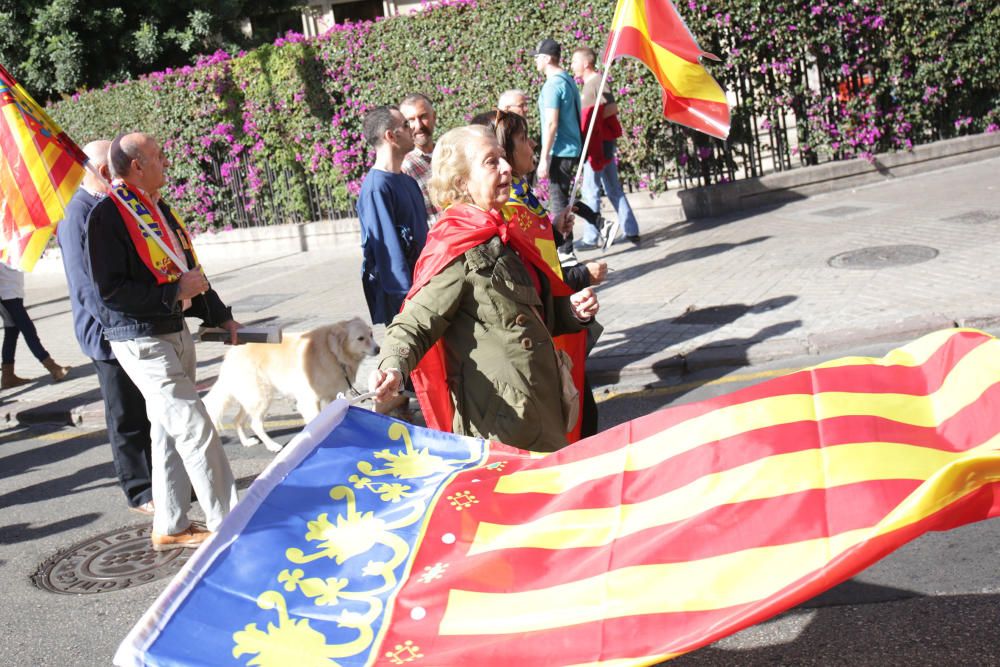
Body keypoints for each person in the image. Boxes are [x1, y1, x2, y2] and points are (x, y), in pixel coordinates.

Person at [369, 125, 600, 452]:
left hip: (538, 407)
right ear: (462, 182)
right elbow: (414, 322)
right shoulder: (456, 247)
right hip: (503, 425)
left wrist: (572, 311)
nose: (506, 168)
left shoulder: (500, 233)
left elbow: (532, 312)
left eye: (503, 158)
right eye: (491, 162)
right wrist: (391, 365)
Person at [87, 131, 240, 551]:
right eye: (158, 156)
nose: (166, 162)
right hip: (141, 340)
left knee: (169, 431)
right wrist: (171, 293)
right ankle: (230, 526)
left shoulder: (157, 211)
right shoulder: (107, 217)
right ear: (136, 166)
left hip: (174, 331)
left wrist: (220, 315)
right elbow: (110, 292)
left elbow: (189, 269)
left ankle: (171, 525)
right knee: (195, 427)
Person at [488, 110, 604, 438]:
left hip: (559, 315)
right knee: (571, 416)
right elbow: (527, 275)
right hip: (545, 323)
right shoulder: (505, 205)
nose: (532, 144)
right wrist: (579, 275)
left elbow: (539, 250)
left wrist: (554, 229)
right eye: (524, 138)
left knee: (581, 408)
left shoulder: (523, 194)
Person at [57, 139, 154, 515]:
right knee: (125, 414)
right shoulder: (77, 214)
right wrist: (117, 329)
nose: (118, 176)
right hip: (106, 334)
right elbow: (87, 288)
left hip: (127, 326)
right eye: (111, 171)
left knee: (147, 409)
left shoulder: (109, 204)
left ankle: (163, 481)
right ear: (97, 172)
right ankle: (140, 489)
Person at [357, 106, 429, 327]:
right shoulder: (376, 189)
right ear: (390, 135)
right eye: (406, 125)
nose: (414, 129)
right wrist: (408, 302)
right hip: (409, 302)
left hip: (426, 287)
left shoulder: (407, 181)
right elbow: (388, 253)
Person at [571, 46, 640, 247]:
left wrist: (595, 118)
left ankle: (591, 238)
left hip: (598, 146)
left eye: (575, 61)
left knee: (591, 191)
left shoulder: (596, 83)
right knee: (612, 188)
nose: (572, 65)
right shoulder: (592, 84)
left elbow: (612, 108)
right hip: (602, 144)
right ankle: (631, 230)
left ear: (586, 63)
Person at [532, 38, 583, 220]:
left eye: (537, 57)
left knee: (558, 201)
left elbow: (551, 123)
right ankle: (599, 222)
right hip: (571, 146)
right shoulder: (567, 80)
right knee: (562, 195)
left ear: (547, 59)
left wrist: (544, 158)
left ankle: (566, 248)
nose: (535, 61)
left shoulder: (553, 85)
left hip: (560, 149)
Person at [0, 264, 70, 388]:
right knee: (28, 329)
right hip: (5, 293)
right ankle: (53, 368)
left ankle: (8, 376)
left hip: (13, 290)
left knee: (12, 332)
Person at [400, 93, 440, 225]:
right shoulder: (403, 167)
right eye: (411, 120)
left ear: (433, 116)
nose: (418, 125)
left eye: (423, 117)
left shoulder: (449, 154)